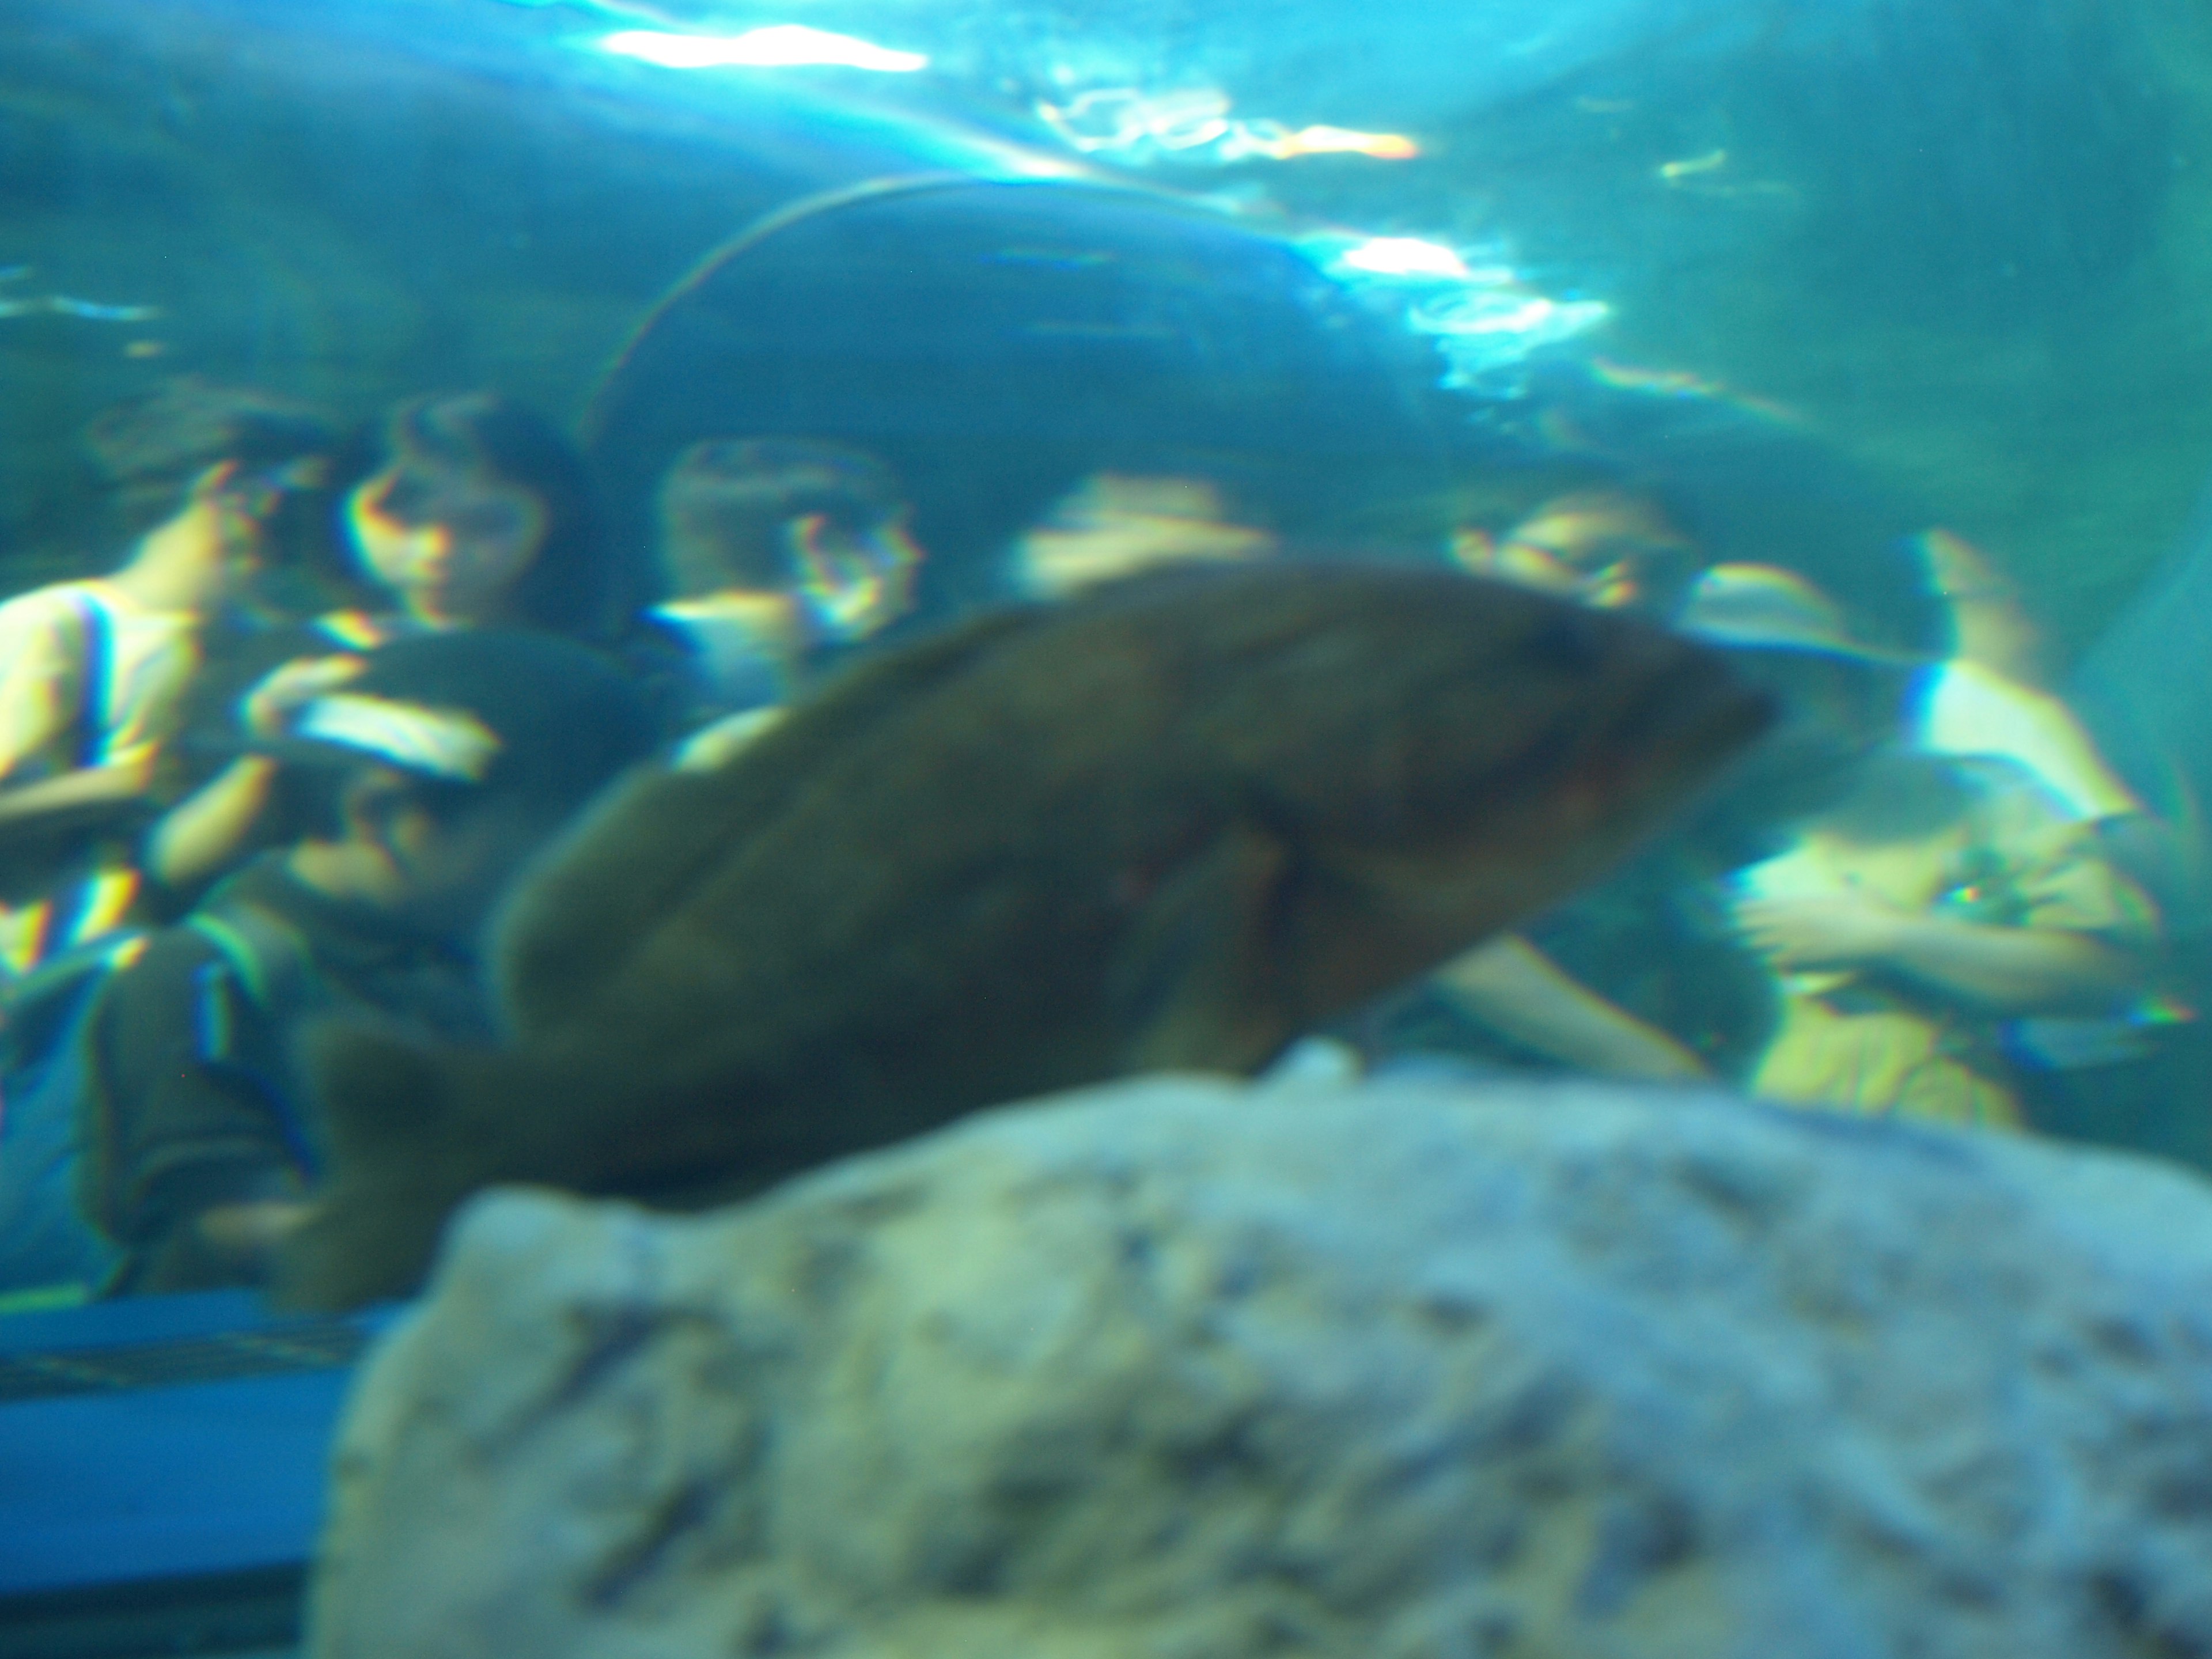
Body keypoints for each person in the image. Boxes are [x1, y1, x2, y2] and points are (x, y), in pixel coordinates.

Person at [78, 629, 657, 1296]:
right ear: (381, 812)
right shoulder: (199, 980)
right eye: (562, 852)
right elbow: (228, 1225)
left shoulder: (474, 966)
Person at [145, 392, 624, 903]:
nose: (437, 550)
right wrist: (266, 758)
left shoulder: (594, 675)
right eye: (402, 520)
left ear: (556, 518)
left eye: (483, 524)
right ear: (341, 508)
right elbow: (169, 868)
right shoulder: (276, 660)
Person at [0, 380, 334, 979]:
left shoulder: (278, 643)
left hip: (206, 979)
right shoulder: (56, 629)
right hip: (46, 989)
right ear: (232, 490)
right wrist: (126, 784)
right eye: (299, 489)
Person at [647, 437, 923, 727]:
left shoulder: (665, 679)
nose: (911, 556)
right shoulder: (773, 728)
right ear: (815, 549)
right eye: (889, 538)